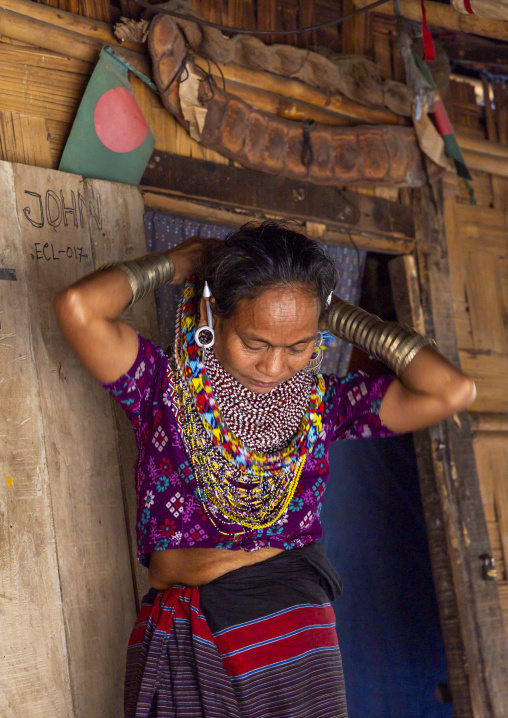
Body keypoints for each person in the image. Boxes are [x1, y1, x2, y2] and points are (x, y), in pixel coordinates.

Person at [54, 221, 475, 718]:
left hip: (294, 646)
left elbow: (452, 391)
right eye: (254, 343)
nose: (275, 366)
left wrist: (332, 312)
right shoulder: (162, 389)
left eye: (298, 346)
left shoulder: (326, 405)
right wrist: (184, 264)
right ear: (215, 312)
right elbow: (78, 309)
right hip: (186, 637)